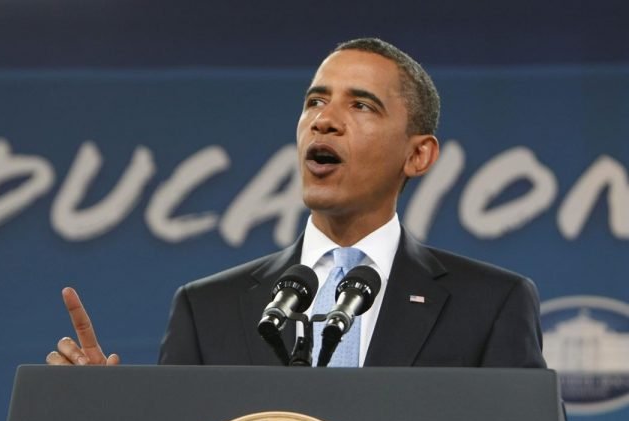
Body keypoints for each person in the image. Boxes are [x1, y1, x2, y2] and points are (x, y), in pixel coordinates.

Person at [45, 37, 546, 370]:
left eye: (361, 104)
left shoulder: (491, 305)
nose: (325, 120)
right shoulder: (207, 309)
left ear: (418, 154)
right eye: (314, 101)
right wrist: (105, 413)